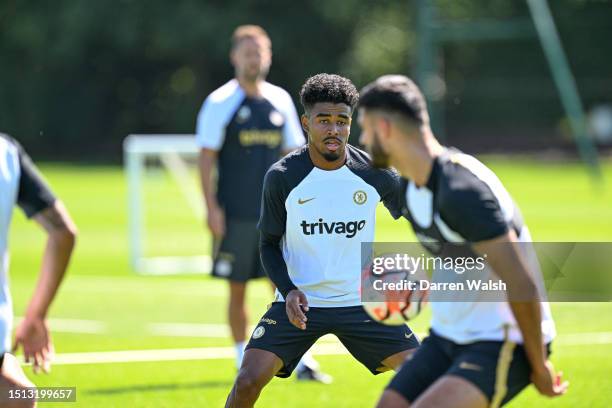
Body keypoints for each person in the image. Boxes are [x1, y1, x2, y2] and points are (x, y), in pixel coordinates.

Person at [357, 75, 568, 408]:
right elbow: (459, 258)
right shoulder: (412, 189)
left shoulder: (461, 191)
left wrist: (538, 364)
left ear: (384, 128)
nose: (363, 139)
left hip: (502, 340)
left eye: (365, 129)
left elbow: (520, 281)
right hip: (447, 337)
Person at [224, 73, 420, 407]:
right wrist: (289, 291)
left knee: (422, 376)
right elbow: (268, 245)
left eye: (341, 121)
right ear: (306, 123)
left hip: (361, 302)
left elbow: (420, 215)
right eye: (323, 121)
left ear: (351, 123)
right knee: (247, 380)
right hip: (299, 303)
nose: (333, 130)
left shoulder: (375, 172)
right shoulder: (283, 177)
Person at [195, 25, 327, 380]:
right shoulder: (219, 103)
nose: (254, 58)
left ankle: (297, 358)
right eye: (247, 52)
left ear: (268, 57)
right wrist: (211, 207)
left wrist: (303, 202)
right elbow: (206, 157)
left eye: (260, 52)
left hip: (278, 214)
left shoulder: (281, 100)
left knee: (286, 285)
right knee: (237, 288)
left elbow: (293, 154)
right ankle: (242, 357)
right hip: (235, 211)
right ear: (234, 56)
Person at [0, 133, 77, 407]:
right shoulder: (6, 153)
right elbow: (63, 231)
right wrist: (36, 314)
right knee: (19, 397)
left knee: (17, 396)